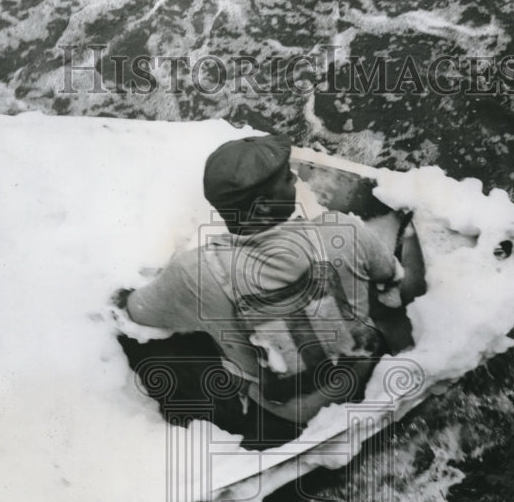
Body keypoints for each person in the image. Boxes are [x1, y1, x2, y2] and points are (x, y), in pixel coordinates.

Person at [116, 133, 406, 432]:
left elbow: (134, 313)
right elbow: (390, 280)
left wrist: (130, 295)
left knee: (156, 348)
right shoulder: (345, 230)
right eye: (285, 177)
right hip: (366, 374)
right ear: (265, 205)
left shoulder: (195, 271)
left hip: (290, 415)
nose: (294, 177)